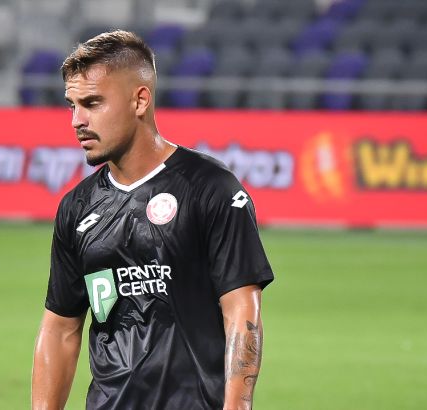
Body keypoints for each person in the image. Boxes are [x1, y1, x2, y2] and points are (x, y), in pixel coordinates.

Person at [32, 30, 274, 410]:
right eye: (72, 105)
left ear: (140, 100)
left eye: (92, 103)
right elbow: (60, 327)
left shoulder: (210, 189)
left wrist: (237, 406)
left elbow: (242, 308)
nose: (77, 120)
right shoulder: (77, 208)